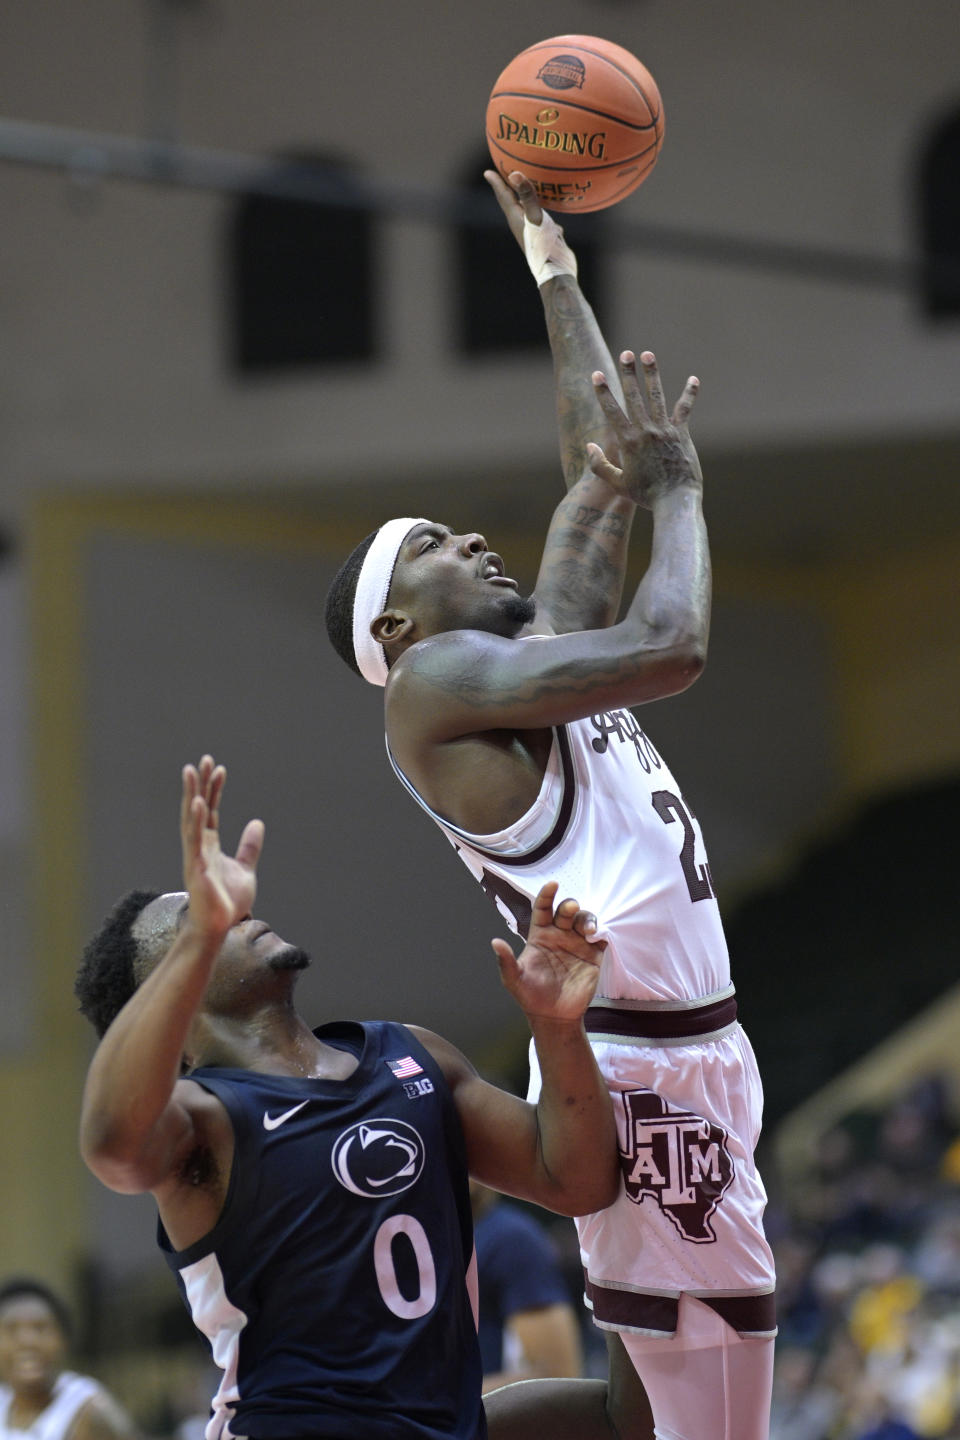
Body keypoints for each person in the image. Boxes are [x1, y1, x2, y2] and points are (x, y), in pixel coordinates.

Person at [324, 170, 777, 1440]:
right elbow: (675, 639)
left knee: (652, 1412)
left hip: (686, 1046)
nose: (465, 535)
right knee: (707, 1427)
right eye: (427, 545)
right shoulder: (433, 683)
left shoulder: (521, 672)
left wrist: (552, 271)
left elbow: (597, 472)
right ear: (397, 626)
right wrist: (682, 488)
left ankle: (422, 1430)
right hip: (638, 1057)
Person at [75, 756, 628, 1440]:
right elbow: (109, 1143)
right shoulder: (203, 1121)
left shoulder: (410, 1053)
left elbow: (574, 1178)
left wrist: (556, 1026)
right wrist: (202, 939)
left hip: (442, 1426)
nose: (234, 909)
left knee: (639, 1413)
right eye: (196, 922)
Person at [469, 1181, 582, 1394]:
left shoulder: (509, 1239)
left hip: (479, 1422)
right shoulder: (404, 1237)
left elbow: (557, 1377)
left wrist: (432, 1408)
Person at [0, 1279, 136, 1440]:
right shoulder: (4, 1400)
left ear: (63, 1341)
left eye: (40, 1328)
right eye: (11, 1329)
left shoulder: (90, 1412)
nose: (27, 1342)